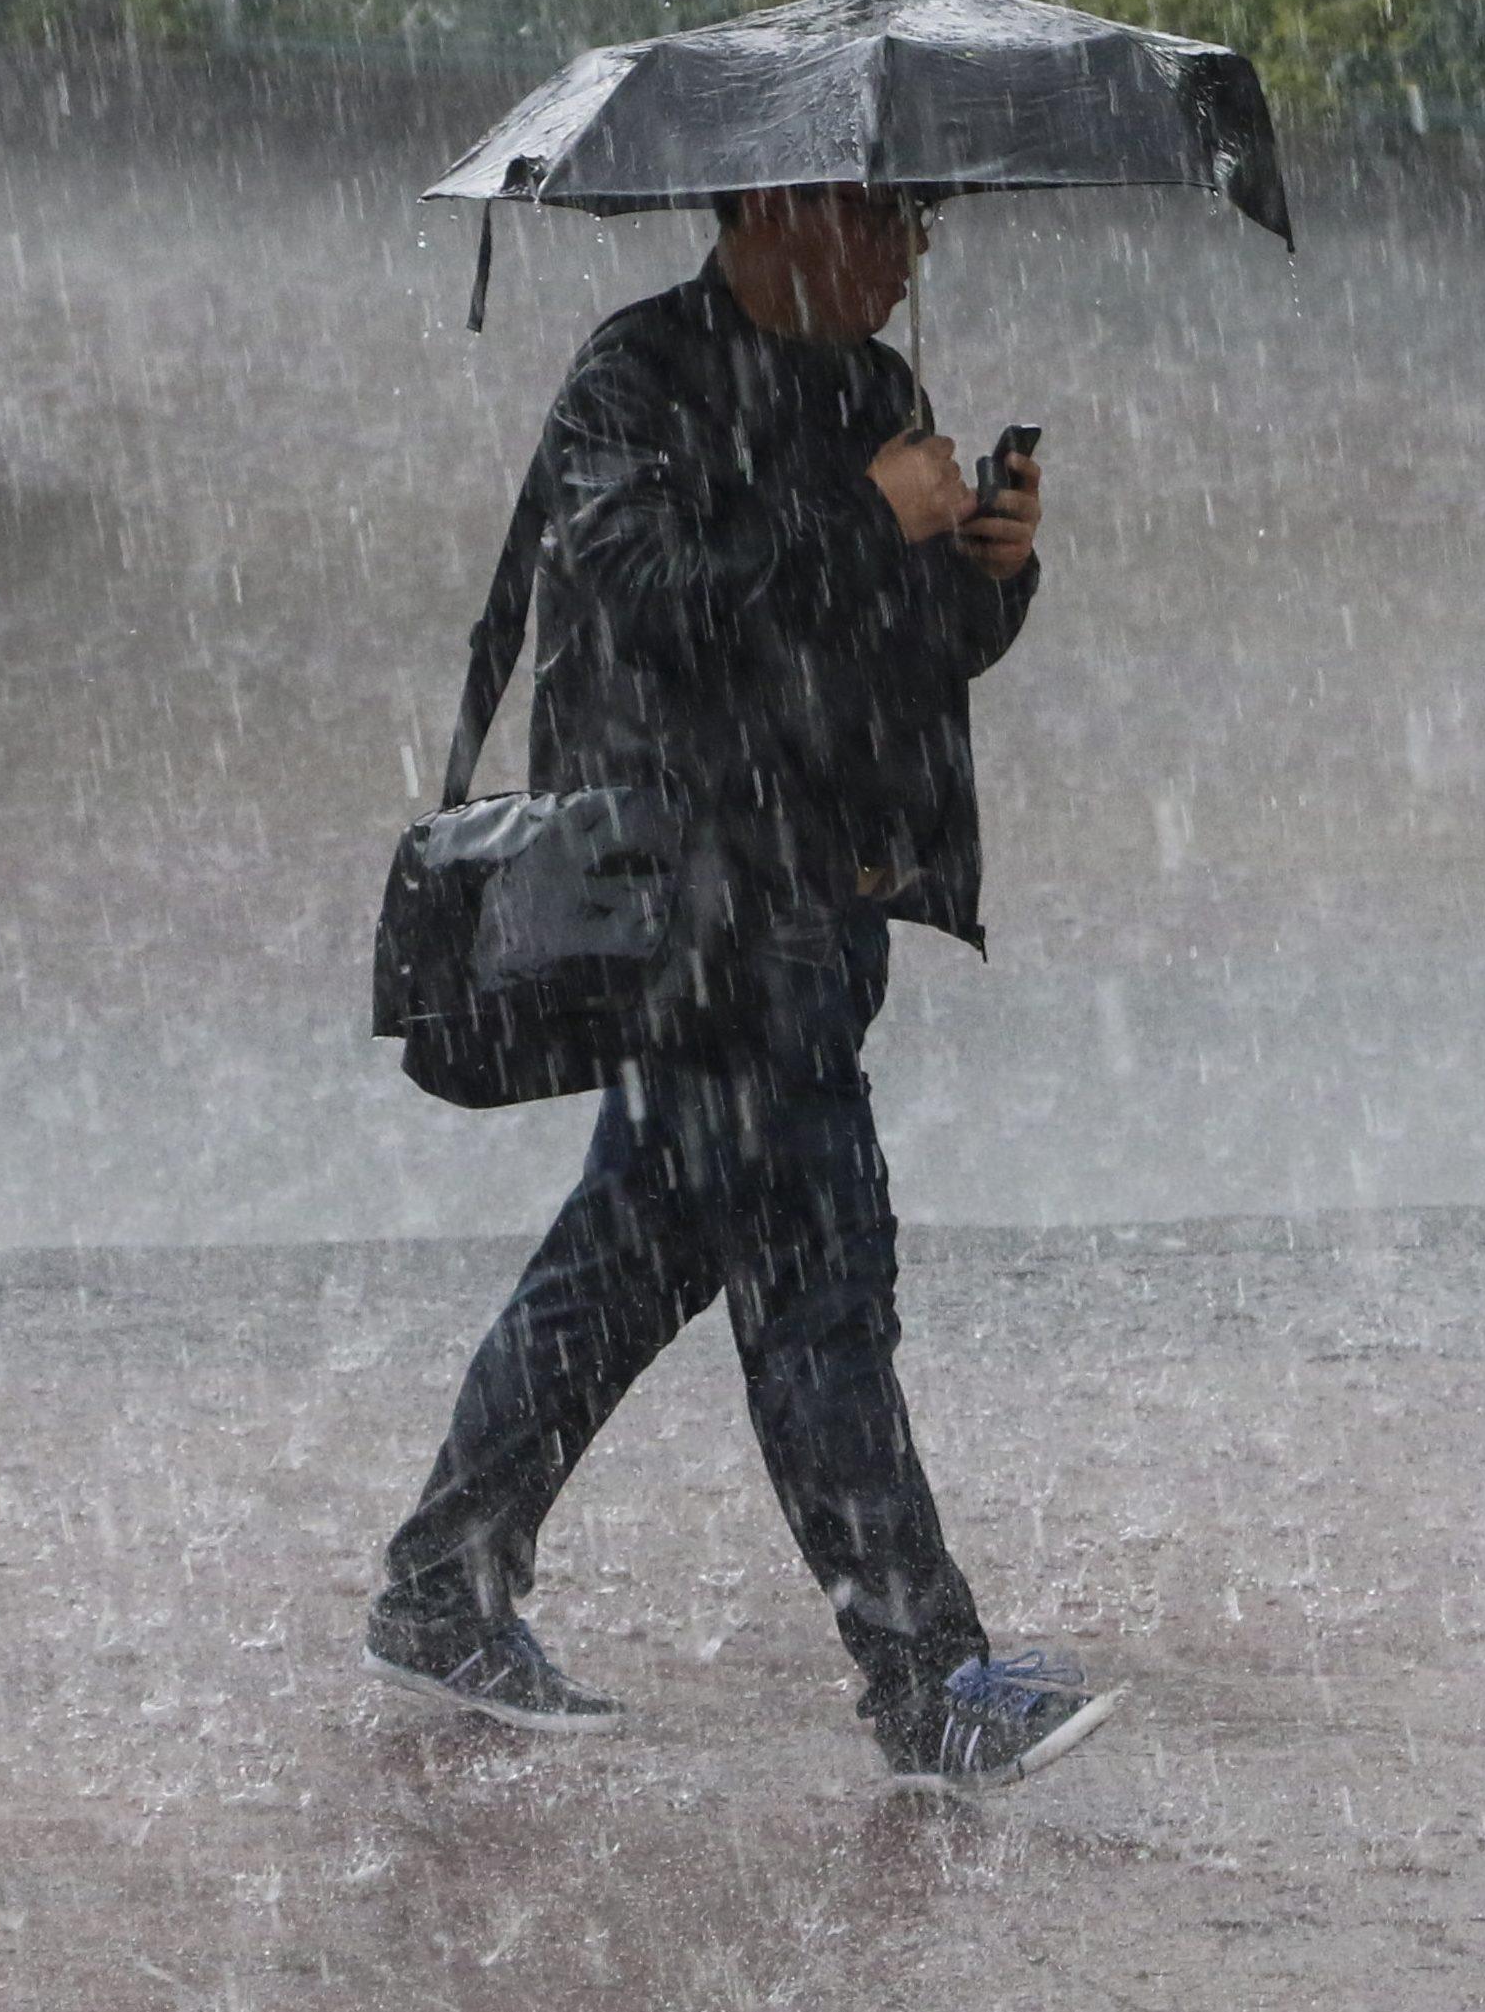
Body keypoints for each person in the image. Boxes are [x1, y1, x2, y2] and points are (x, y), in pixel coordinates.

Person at [367, 180, 1124, 1793]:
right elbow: (646, 606)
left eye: (920, 223)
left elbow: (908, 643)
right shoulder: (633, 377)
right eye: (884, 219)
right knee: (818, 1281)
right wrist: (865, 515)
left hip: (826, 897)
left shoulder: (873, 388)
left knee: (634, 1253)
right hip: (700, 909)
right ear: (775, 211)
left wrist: (989, 566)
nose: (911, 252)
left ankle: (447, 1579)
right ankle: (924, 1672)